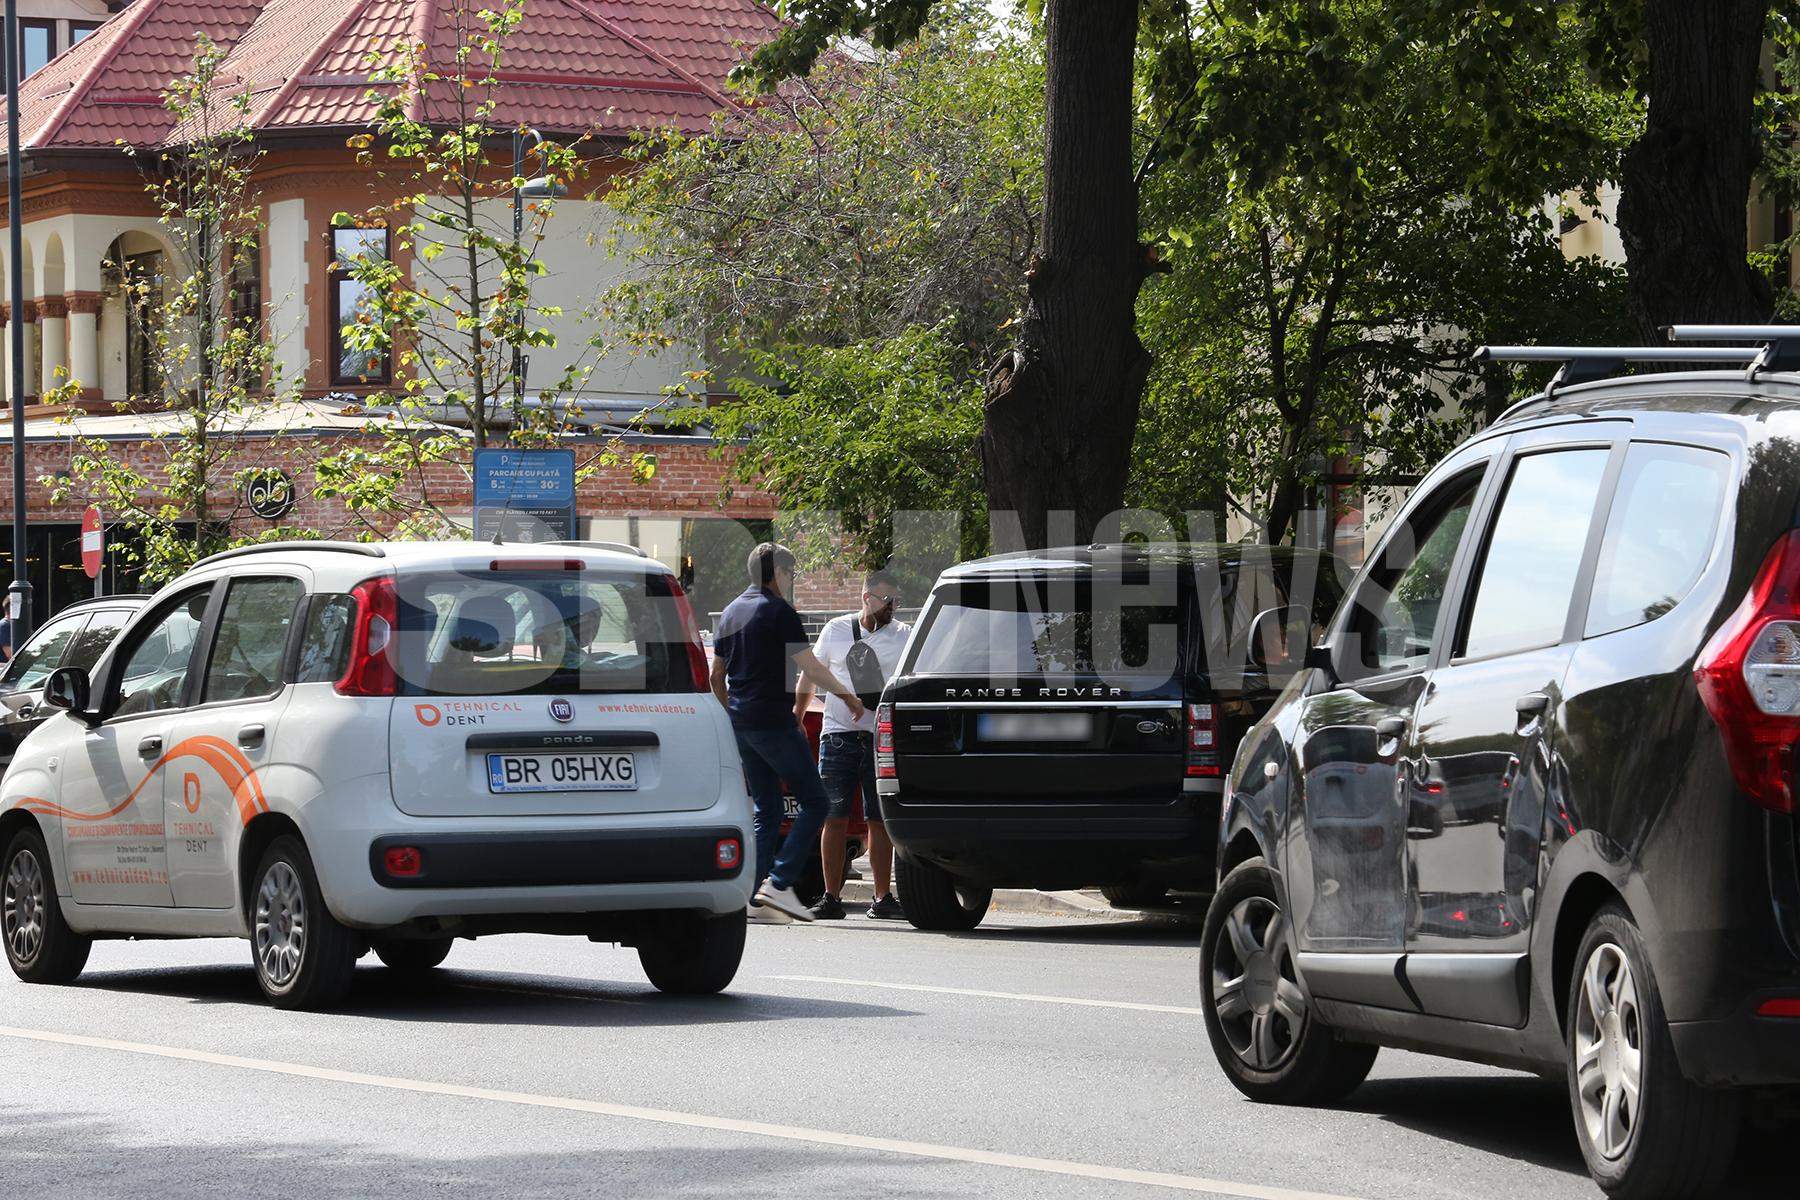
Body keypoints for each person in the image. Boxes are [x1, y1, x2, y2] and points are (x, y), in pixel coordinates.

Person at [711, 542, 865, 922]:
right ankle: (779, 885)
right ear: (777, 573)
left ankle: (752, 896)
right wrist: (848, 696)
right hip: (774, 722)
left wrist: (731, 714)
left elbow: (717, 676)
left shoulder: (730, 613)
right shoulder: (779, 611)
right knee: (816, 802)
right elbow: (809, 668)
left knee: (767, 807)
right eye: (791, 574)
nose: (792, 581)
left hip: (742, 724)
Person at [795, 569, 909, 920]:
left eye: (895, 602)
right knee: (834, 816)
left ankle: (882, 896)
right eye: (887, 601)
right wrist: (797, 716)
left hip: (880, 738)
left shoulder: (905, 635)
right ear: (867, 598)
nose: (892, 608)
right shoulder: (836, 630)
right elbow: (810, 673)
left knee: (879, 819)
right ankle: (831, 897)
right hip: (838, 736)